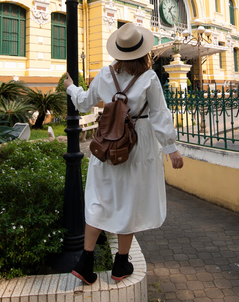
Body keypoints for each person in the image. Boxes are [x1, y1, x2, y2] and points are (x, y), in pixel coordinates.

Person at [64, 22, 184, 284]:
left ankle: (85, 261)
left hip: (106, 147)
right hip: (135, 149)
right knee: (130, 201)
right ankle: (120, 265)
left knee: (98, 199)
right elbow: (160, 116)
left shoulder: (105, 74)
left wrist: (71, 87)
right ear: (144, 52)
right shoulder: (149, 78)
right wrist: (171, 149)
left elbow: (84, 103)